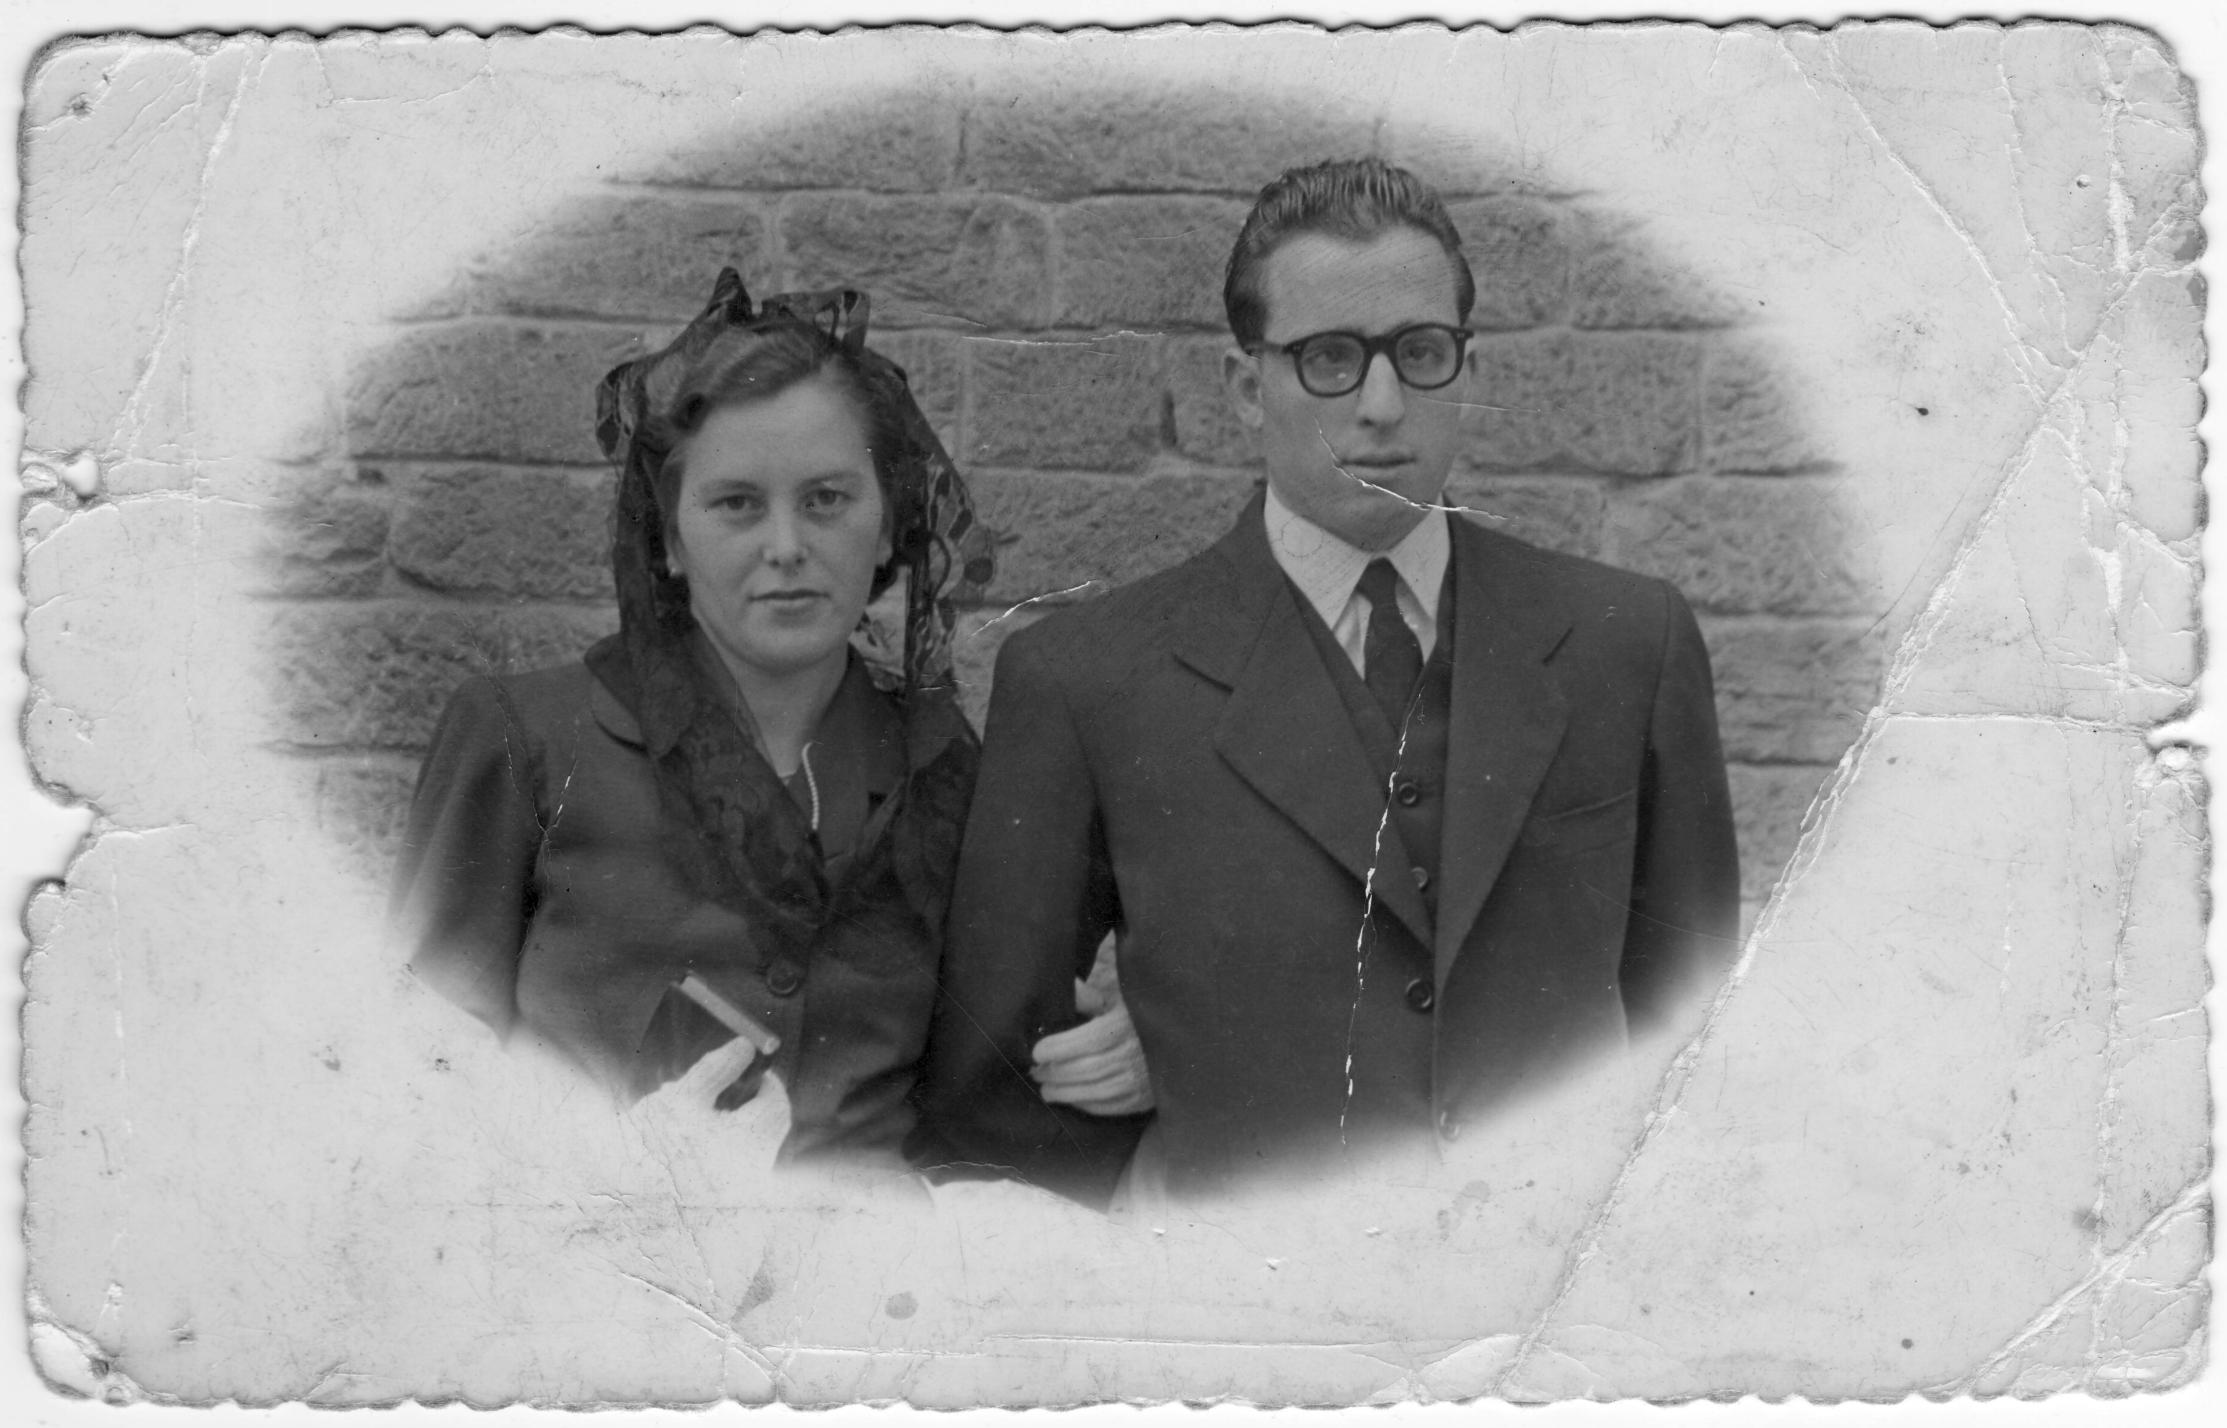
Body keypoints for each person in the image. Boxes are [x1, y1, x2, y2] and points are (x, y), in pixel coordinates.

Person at [918, 159, 1742, 1206]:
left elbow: (1698, 1027)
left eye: (1421, 353)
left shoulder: (1626, 641)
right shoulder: (1088, 680)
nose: (1382, 406)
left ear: (1468, 371)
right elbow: (990, 1097)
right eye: (1329, 360)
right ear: (1242, 388)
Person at [391, 270, 1145, 1172]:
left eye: (826, 499)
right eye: (736, 503)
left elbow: (995, 1071)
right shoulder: (526, 739)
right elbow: (411, 1086)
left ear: (888, 526)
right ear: (670, 539)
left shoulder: (943, 772)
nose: (786, 547)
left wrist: (1148, 1032)